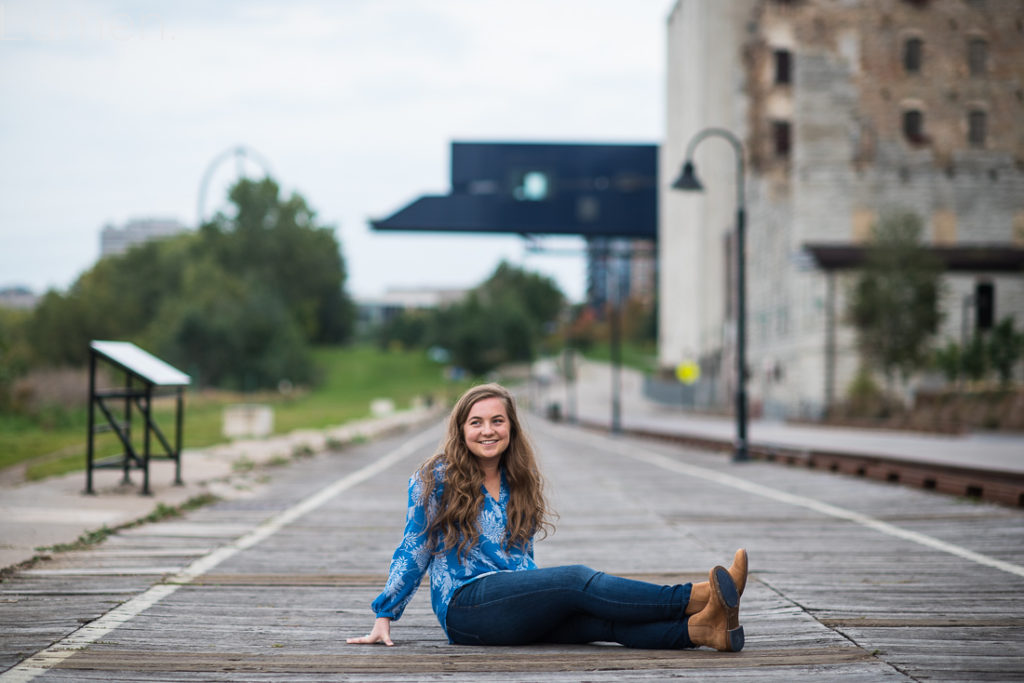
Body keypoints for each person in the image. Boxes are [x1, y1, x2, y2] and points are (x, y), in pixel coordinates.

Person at [347, 383, 747, 651]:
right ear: (461, 429)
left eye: (497, 421)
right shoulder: (435, 477)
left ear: (511, 428)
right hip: (466, 607)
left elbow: (522, 559)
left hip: (512, 603)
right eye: (477, 422)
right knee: (575, 579)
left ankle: (705, 631)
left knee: (594, 622)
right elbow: (414, 547)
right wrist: (385, 615)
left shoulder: (516, 478)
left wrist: (542, 600)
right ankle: (698, 595)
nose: (488, 431)